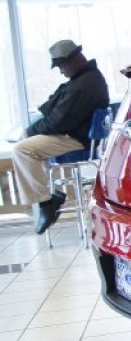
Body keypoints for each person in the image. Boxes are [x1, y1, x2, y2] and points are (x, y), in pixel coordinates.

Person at [12, 39, 110, 235]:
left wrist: (31, 131)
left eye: (61, 66)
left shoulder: (83, 84)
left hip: (74, 138)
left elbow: (59, 122)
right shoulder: (88, 78)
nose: (61, 71)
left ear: (71, 61)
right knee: (27, 147)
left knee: (22, 149)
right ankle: (45, 197)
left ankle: (46, 201)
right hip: (76, 135)